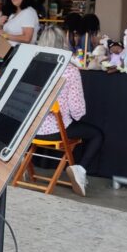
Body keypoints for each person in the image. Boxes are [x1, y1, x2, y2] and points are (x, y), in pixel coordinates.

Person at [34, 25, 103, 197]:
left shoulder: (33, 67)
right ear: (62, 43)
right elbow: (78, 111)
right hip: (56, 129)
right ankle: (80, 169)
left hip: (31, 129)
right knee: (97, 134)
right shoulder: (70, 71)